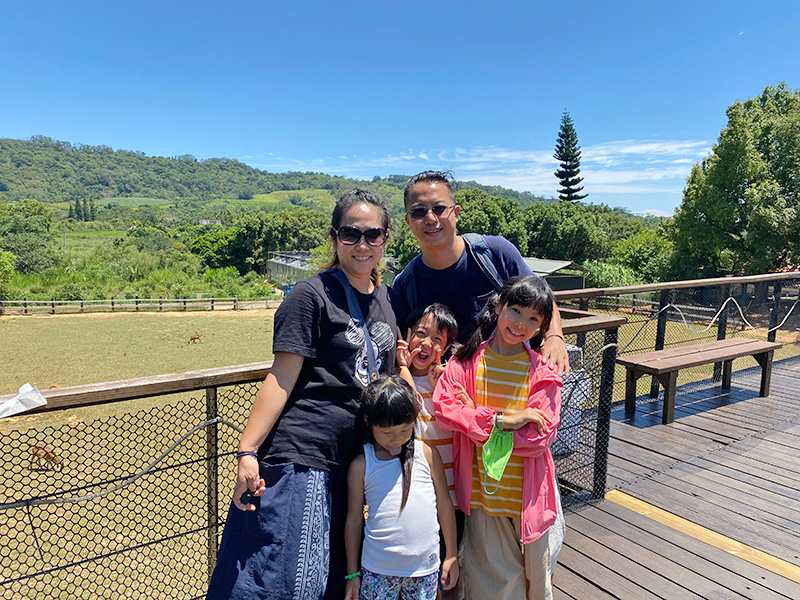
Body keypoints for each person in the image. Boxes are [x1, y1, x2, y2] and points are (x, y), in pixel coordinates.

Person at [206, 189, 397, 600]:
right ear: (335, 237)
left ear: (385, 239)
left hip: (351, 462)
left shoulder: (384, 297)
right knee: (287, 580)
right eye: (351, 234)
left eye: (373, 235)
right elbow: (282, 377)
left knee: (330, 578)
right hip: (304, 455)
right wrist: (247, 451)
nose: (362, 245)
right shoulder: (311, 295)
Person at [433, 276, 562, 600]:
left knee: (537, 585)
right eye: (515, 310)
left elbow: (539, 438)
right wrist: (506, 420)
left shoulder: (543, 370)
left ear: (542, 326)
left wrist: (475, 417)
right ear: (499, 306)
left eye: (533, 318)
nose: (520, 324)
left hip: (529, 499)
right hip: (484, 498)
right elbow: (444, 409)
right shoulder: (465, 361)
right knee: (492, 588)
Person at [391, 170, 570, 375]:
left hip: (507, 377)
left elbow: (543, 299)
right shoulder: (405, 284)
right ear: (408, 221)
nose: (431, 218)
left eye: (439, 208)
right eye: (418, 212)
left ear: (456, 213)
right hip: (445, 388)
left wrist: (555, 337)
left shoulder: (494, 253)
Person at [344, 375, 459, 600]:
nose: (396, 439)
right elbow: (354, 520)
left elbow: (445, 506)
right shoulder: (362, 465)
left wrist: (451, 555)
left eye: (405, 430)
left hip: (424, 570)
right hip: (377, 571)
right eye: (387, 432)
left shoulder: (427, 454)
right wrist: (352, 574)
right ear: (369, 421)